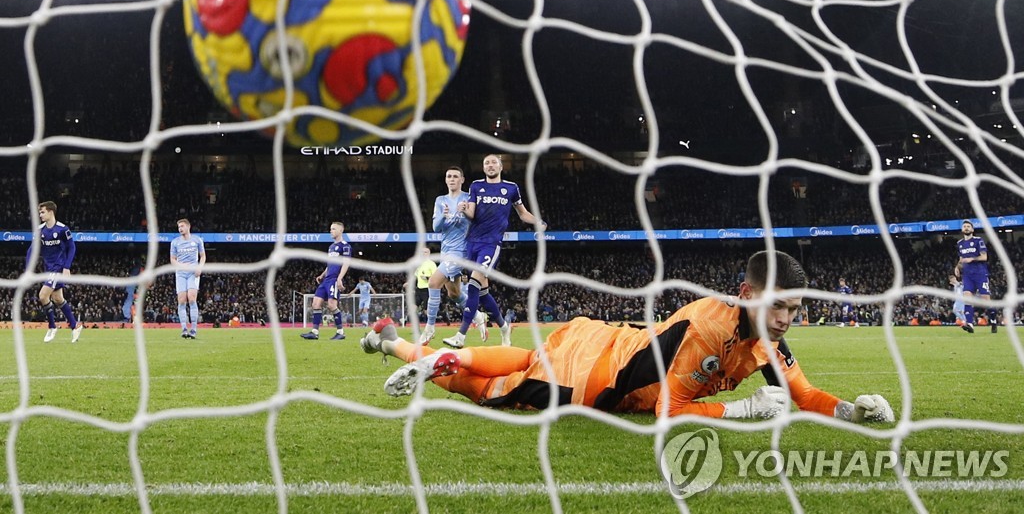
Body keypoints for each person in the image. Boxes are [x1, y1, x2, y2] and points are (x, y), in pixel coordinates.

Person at [361, 251, 895, 423]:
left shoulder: (765, 339)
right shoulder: (711, 329)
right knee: (487, 389)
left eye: (794, 309)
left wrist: (851, 410)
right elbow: (670, 409)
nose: (785, 318)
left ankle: (390, 340)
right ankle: (420, 358)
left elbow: (802, 396)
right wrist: (743, 410)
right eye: (778, 305)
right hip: (596, 383)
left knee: (526, 356)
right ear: (747, 294)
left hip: (608, 341)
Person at [442, 154, 546, 349]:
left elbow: (522, 213)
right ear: (483, 168)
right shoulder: (475, 186)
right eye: (486, 163)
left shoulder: (511, 188)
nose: (490, 166)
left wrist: (538, 221)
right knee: (482, 293)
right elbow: (471, 214)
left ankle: (461, 335)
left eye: (493, 163)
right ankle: (504, 327)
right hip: (471, 243)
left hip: (491, 244)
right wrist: (464, 209)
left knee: (473, 285)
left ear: (500, 166)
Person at [423, 167, 486, 344]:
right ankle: (477, 315)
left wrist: (465, 211)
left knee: (433, 282)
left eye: (455, 176)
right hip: (446, 251)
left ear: (462, 180)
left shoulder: (468, 198)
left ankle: (429, 328)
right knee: (453, 293)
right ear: (445, 180)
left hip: (461, 251)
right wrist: (443, 217)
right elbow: (436, 227)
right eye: (449, 176)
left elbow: (476, 219)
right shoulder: (440, 200)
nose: (452, 179)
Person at [26, 201, 83, 343]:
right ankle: (75, 326)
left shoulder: (63, 229)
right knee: (57, 298)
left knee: (43, 295)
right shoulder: (39, 230)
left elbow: (72, 247)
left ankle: (52, 327)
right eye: (39, 212)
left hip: (58, 267)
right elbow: (31, 250)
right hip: (48, 268)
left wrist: (67, 267)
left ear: (51, 212)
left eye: (42, 212)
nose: (40, 215)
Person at [300, 221, 351, 341]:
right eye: (330, 229)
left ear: (340, 230)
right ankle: (314, 332)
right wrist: (322, 275)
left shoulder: (345, 246)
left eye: (333, 229)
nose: (331, 231)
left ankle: (340, 332)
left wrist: (339, 278)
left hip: (334, 279)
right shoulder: (331, 247)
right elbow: (330, 264)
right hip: (326, 280)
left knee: (332, 305)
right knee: (315, 304)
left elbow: (346, 263)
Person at [955, 219, 997, 334]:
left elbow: (984, 257)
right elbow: (961, 259)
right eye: (964, 226)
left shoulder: (979, 241)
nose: (966, 228)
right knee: (967, 298)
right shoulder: (960, 244)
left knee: (986, 300)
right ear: (962, 229)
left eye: (968, 226)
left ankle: (993, 320)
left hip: (980, 274)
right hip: (967, 275)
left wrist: (972, 258)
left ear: (972, 229)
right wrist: (957, 267)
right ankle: (970, 324)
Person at [170, 218, 206, 339]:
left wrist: (200, 268)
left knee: (191, 298)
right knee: (181, 300)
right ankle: (184, 329)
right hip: (180, 273)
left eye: (182, 226)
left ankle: (194, 329)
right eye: (179, 227)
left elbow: (203, 256)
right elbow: (173, 259)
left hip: (192, 273)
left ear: (188, 227)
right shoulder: (175, 242)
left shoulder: (197, 240)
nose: (180, 228)